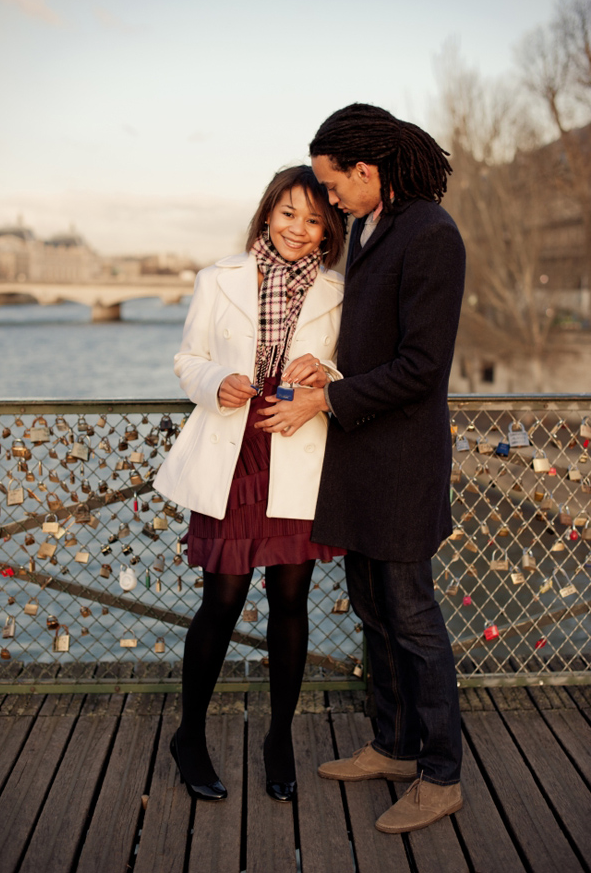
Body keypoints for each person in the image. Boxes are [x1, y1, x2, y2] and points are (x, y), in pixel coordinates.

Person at [255, 104, 466, 833]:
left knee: (413, 620)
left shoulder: (432, 234)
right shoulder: (379, 227)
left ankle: (440, 777)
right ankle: (394, 746)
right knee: (375, 613)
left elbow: (422, 367)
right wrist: (329, 364)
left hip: (402, 464)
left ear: (365, 171)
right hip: (361, 457)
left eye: (332, 186)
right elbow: (377, 343)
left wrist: (323, 400)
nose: (329, 201)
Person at [154, 165, 346, 803]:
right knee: (224, 598)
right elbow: (188, 359)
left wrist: (322, 368)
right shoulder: (219, 278)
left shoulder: (338, 289)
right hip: (234, 447)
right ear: (268, 213)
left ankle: (280, 737)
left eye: (314, 219)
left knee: (292, 600)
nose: (298, 228)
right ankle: (189, 736)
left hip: (296, 444)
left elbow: (349, 369)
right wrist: (216, 383)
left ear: (327, 232)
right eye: (288, 213)